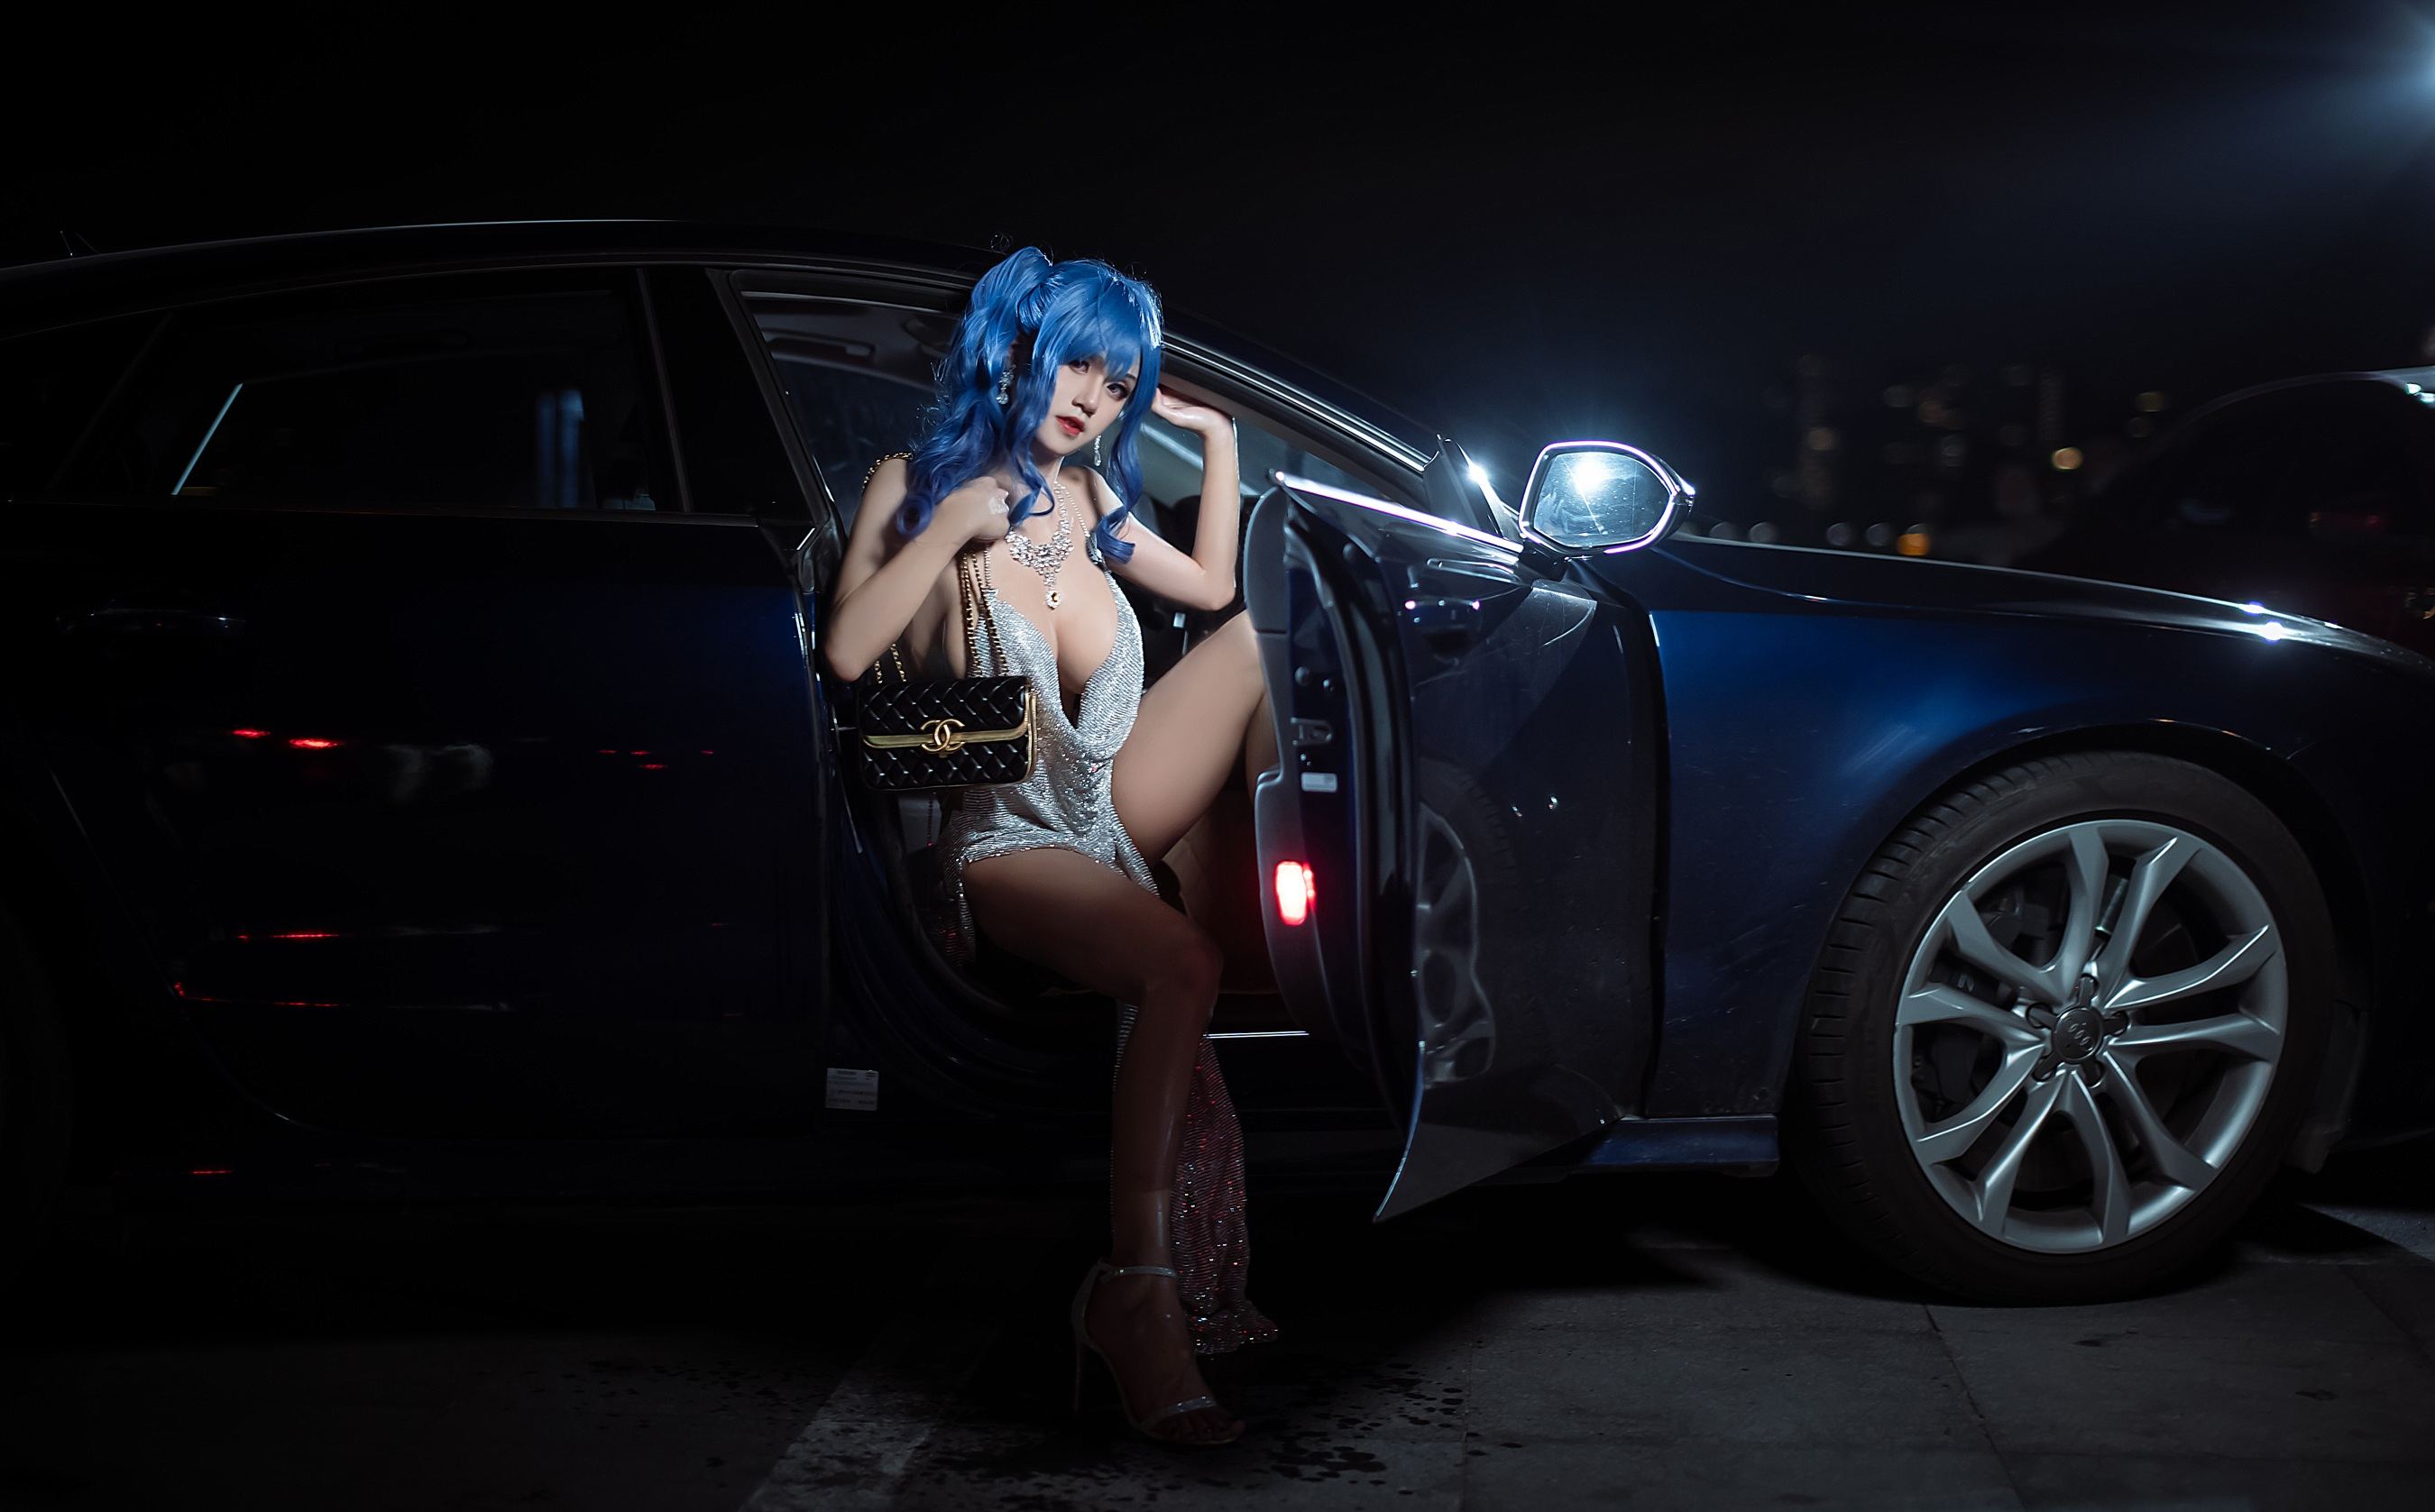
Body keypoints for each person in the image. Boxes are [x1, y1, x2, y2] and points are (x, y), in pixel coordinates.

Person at [822, 247, 1280, 1446]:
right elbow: (849, 655)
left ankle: (1327, 938)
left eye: (1121, 385)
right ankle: (1138, 1288)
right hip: (1002, 834)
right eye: (1080, 364)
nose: (1094, 399)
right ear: (1019, 350)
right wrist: (949, 529)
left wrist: (1219, 440)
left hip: (1106, 803)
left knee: (1256, 643)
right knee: (1181, 963)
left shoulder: (1088, 504)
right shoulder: (912, 485)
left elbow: (1214, 586)